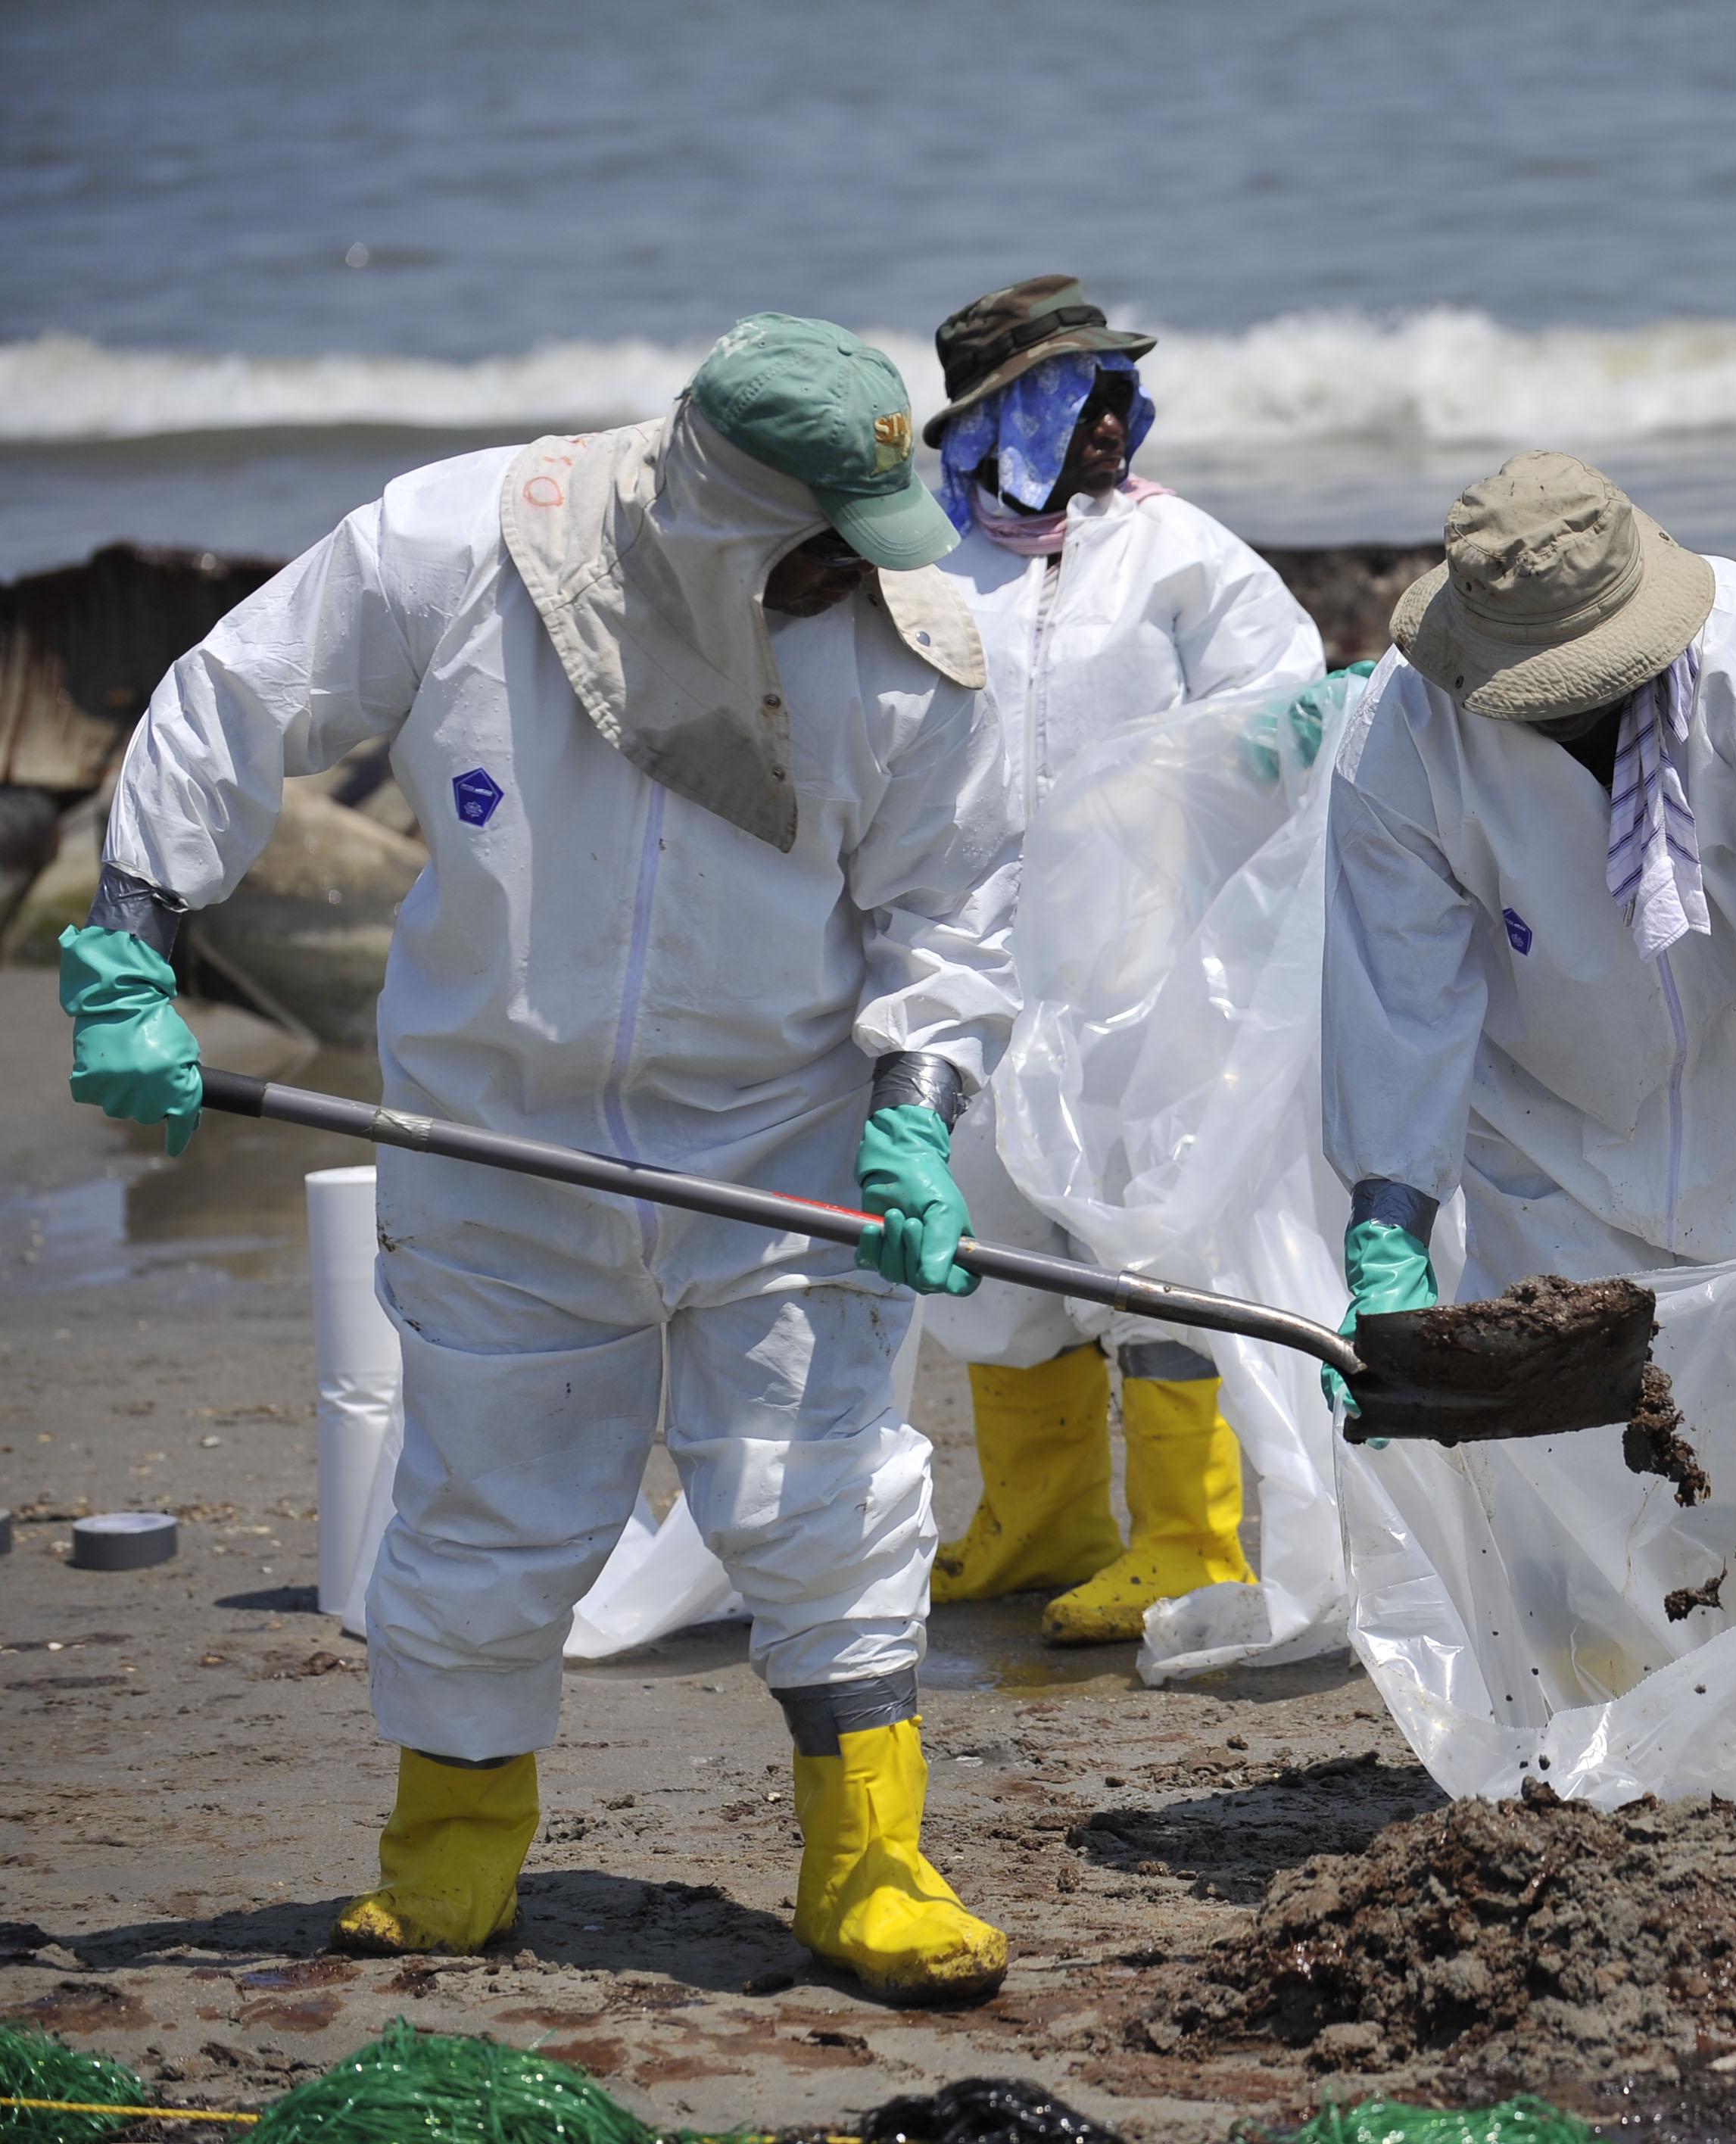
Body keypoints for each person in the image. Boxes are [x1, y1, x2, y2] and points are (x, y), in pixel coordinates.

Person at [62, 316, 1023, 1999]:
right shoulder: (460, 546)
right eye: (820, 548)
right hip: (496, 1137)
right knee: (483, 1515)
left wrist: (917, 1118)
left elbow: (948, 917)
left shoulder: (914, 654)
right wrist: (133, 943)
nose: (856, 580)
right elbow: (234, 698)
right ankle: (449, 1855)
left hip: (779, 1143)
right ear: (723, 514)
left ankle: (871, 1862)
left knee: (825, 1499)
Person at [912, 274, 1348, 1647]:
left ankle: (1183, 1538)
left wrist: (1278, 739)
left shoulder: (1177, 552)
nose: (1110, 418)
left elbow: (1278, 702)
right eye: (1076, 395)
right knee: (994, 1238)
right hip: (972, 957)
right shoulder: (924, 564)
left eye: (1116, 392)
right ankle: (1042, 1522)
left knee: (1153, 1240)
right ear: (998, 420)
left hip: (1148, 966)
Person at [1320, 450, 1736, 1348]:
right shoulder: (1401, 738)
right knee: (1565, 1423)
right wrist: (1389, 1229)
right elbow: (1398, 1002)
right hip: (1547, 1157)